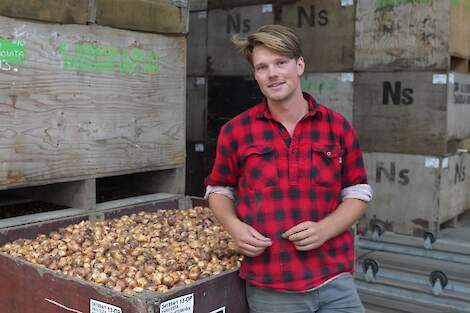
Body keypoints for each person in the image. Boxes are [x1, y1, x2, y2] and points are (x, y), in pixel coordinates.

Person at [205, 25, 372, 313]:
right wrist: (234, 227)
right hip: (272, 286)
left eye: (280, 62)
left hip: (335, 280)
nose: (272, 73)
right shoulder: (236, 131)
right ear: (255, 75)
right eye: (262, 67)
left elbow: (357, 192)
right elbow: (219, 189)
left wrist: (325, 229)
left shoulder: (338, 127)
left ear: (300, 65)